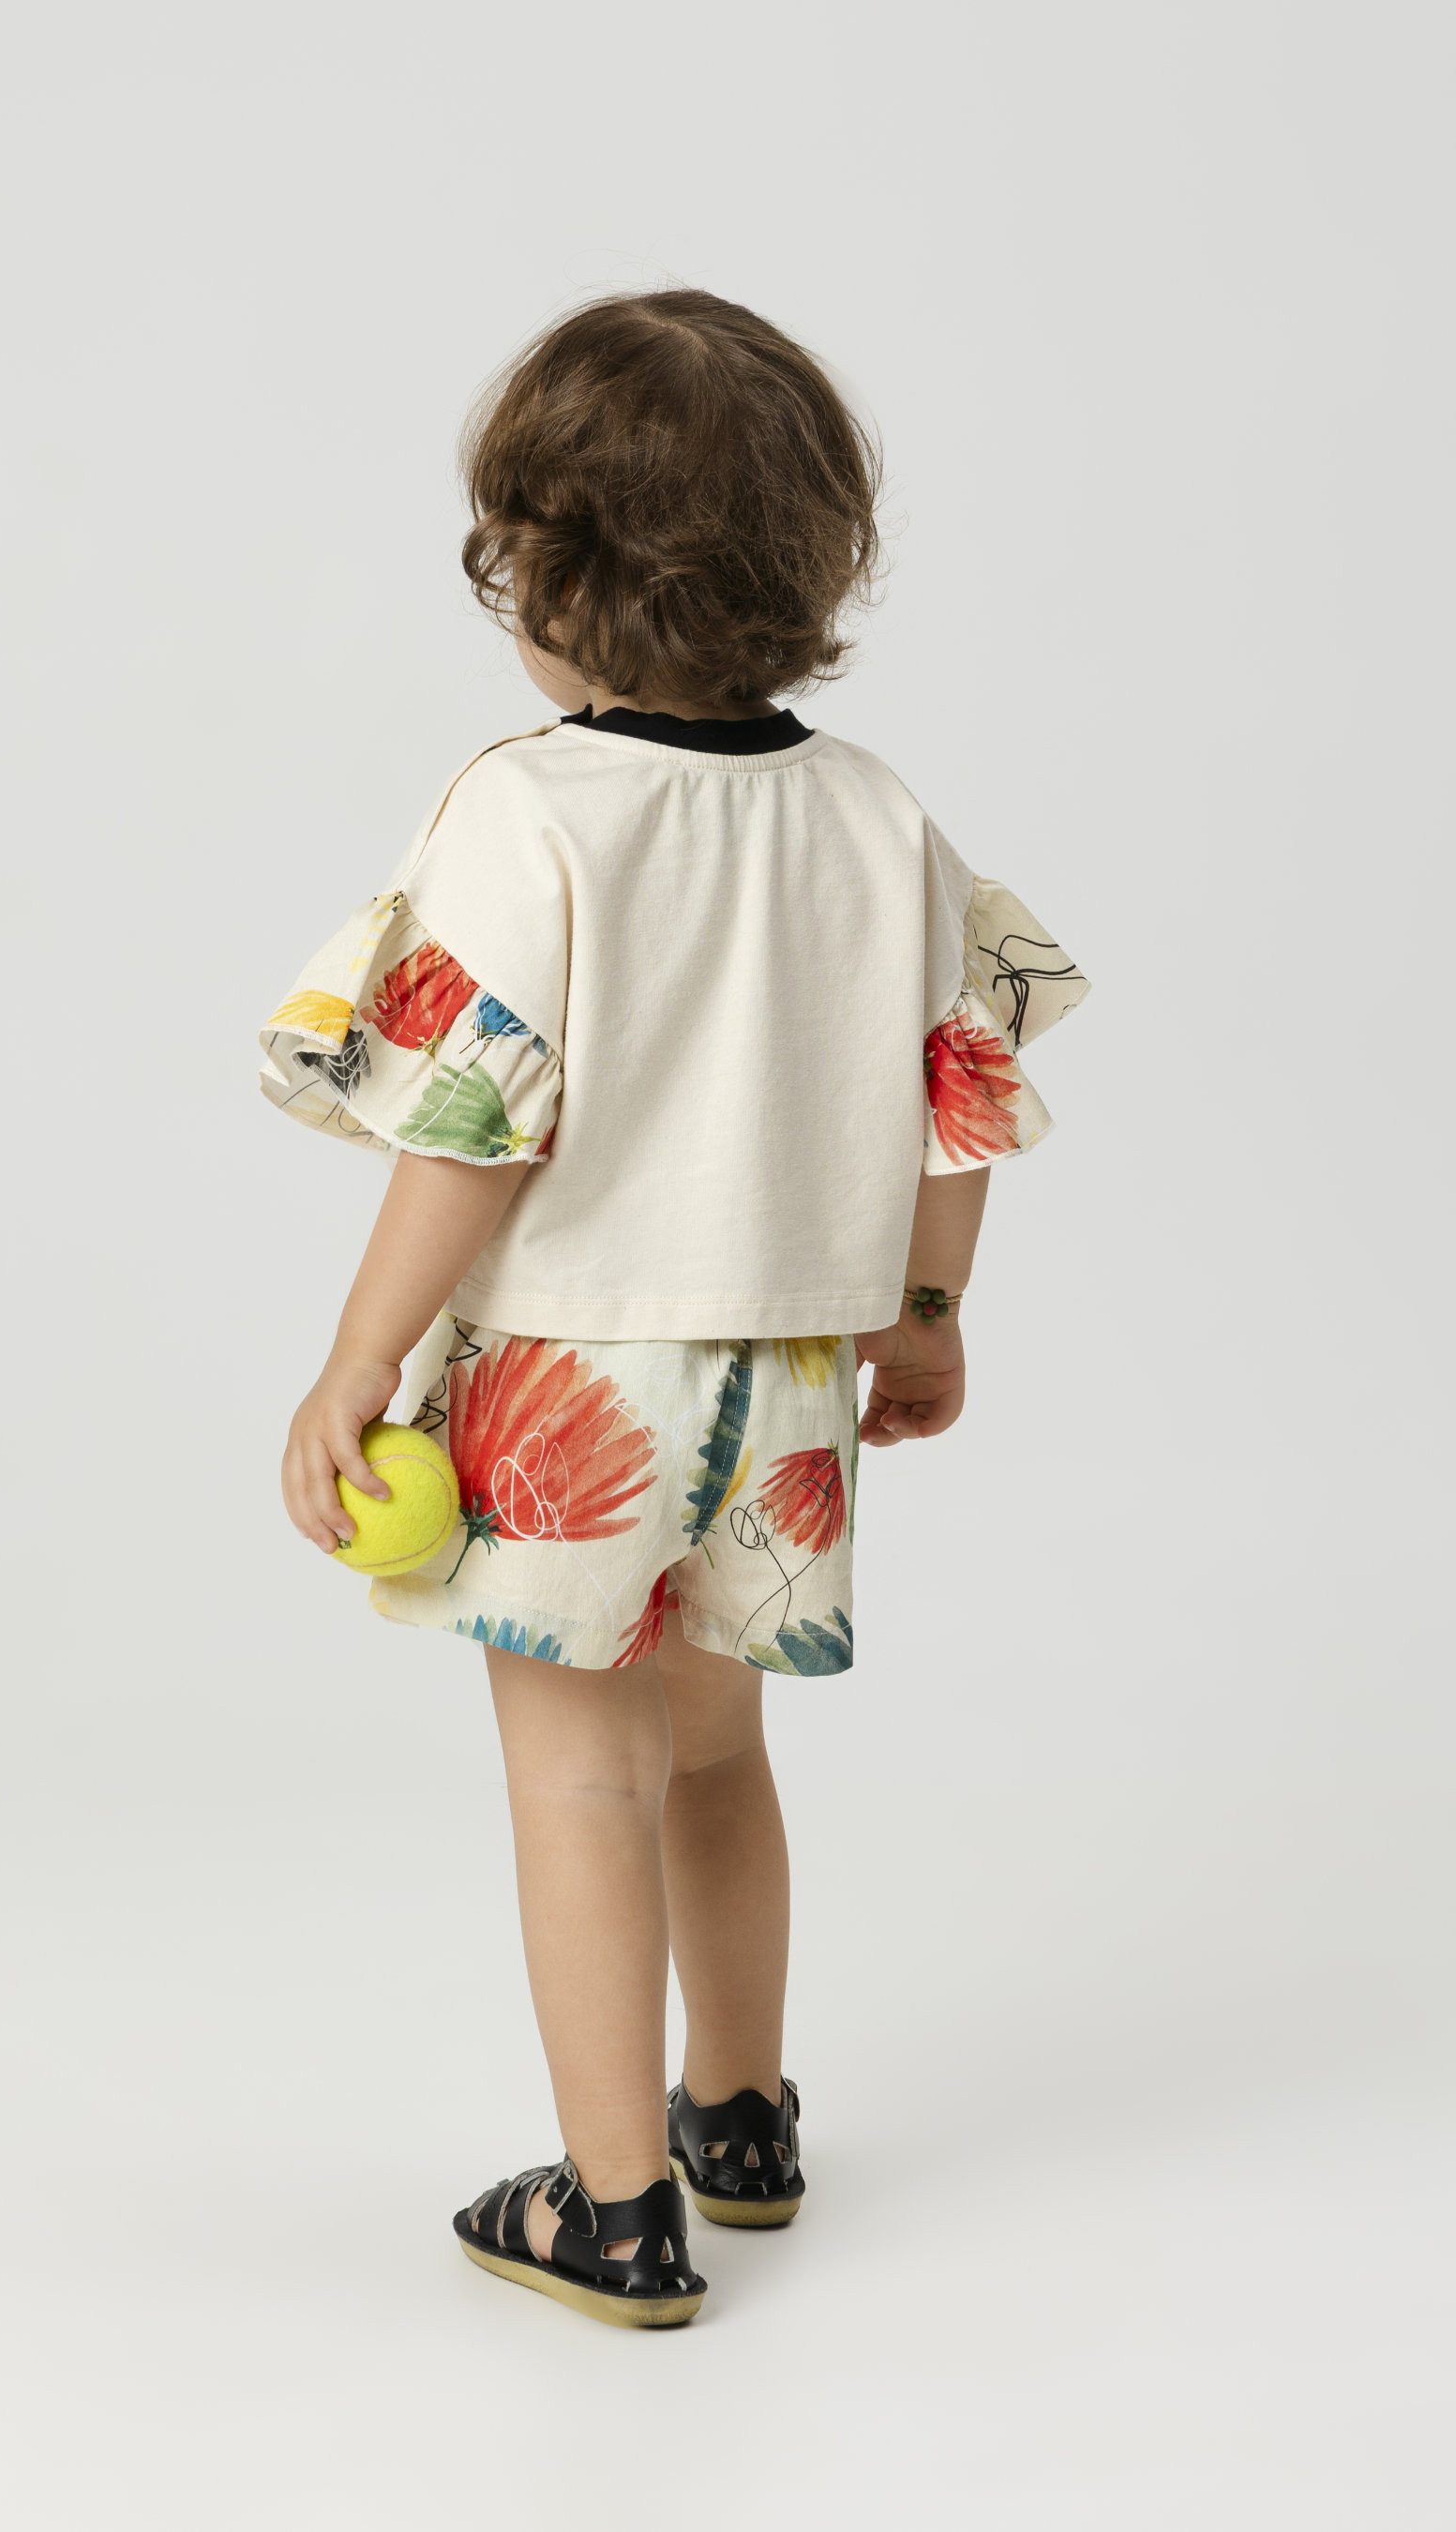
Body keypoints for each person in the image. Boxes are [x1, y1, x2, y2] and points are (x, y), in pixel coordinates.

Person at [259, 289, 1088, 2329]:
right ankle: (741, 2117)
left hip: (574, 1378)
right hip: (786, 1379)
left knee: (579, 1783)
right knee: (717, 1761)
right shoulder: (874, 812)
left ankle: (614, 2209)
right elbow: (962, 1095)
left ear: (547, 576)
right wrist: (925, 1313)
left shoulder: (530, 808)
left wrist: (362, 1360)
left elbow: (474, 1129)